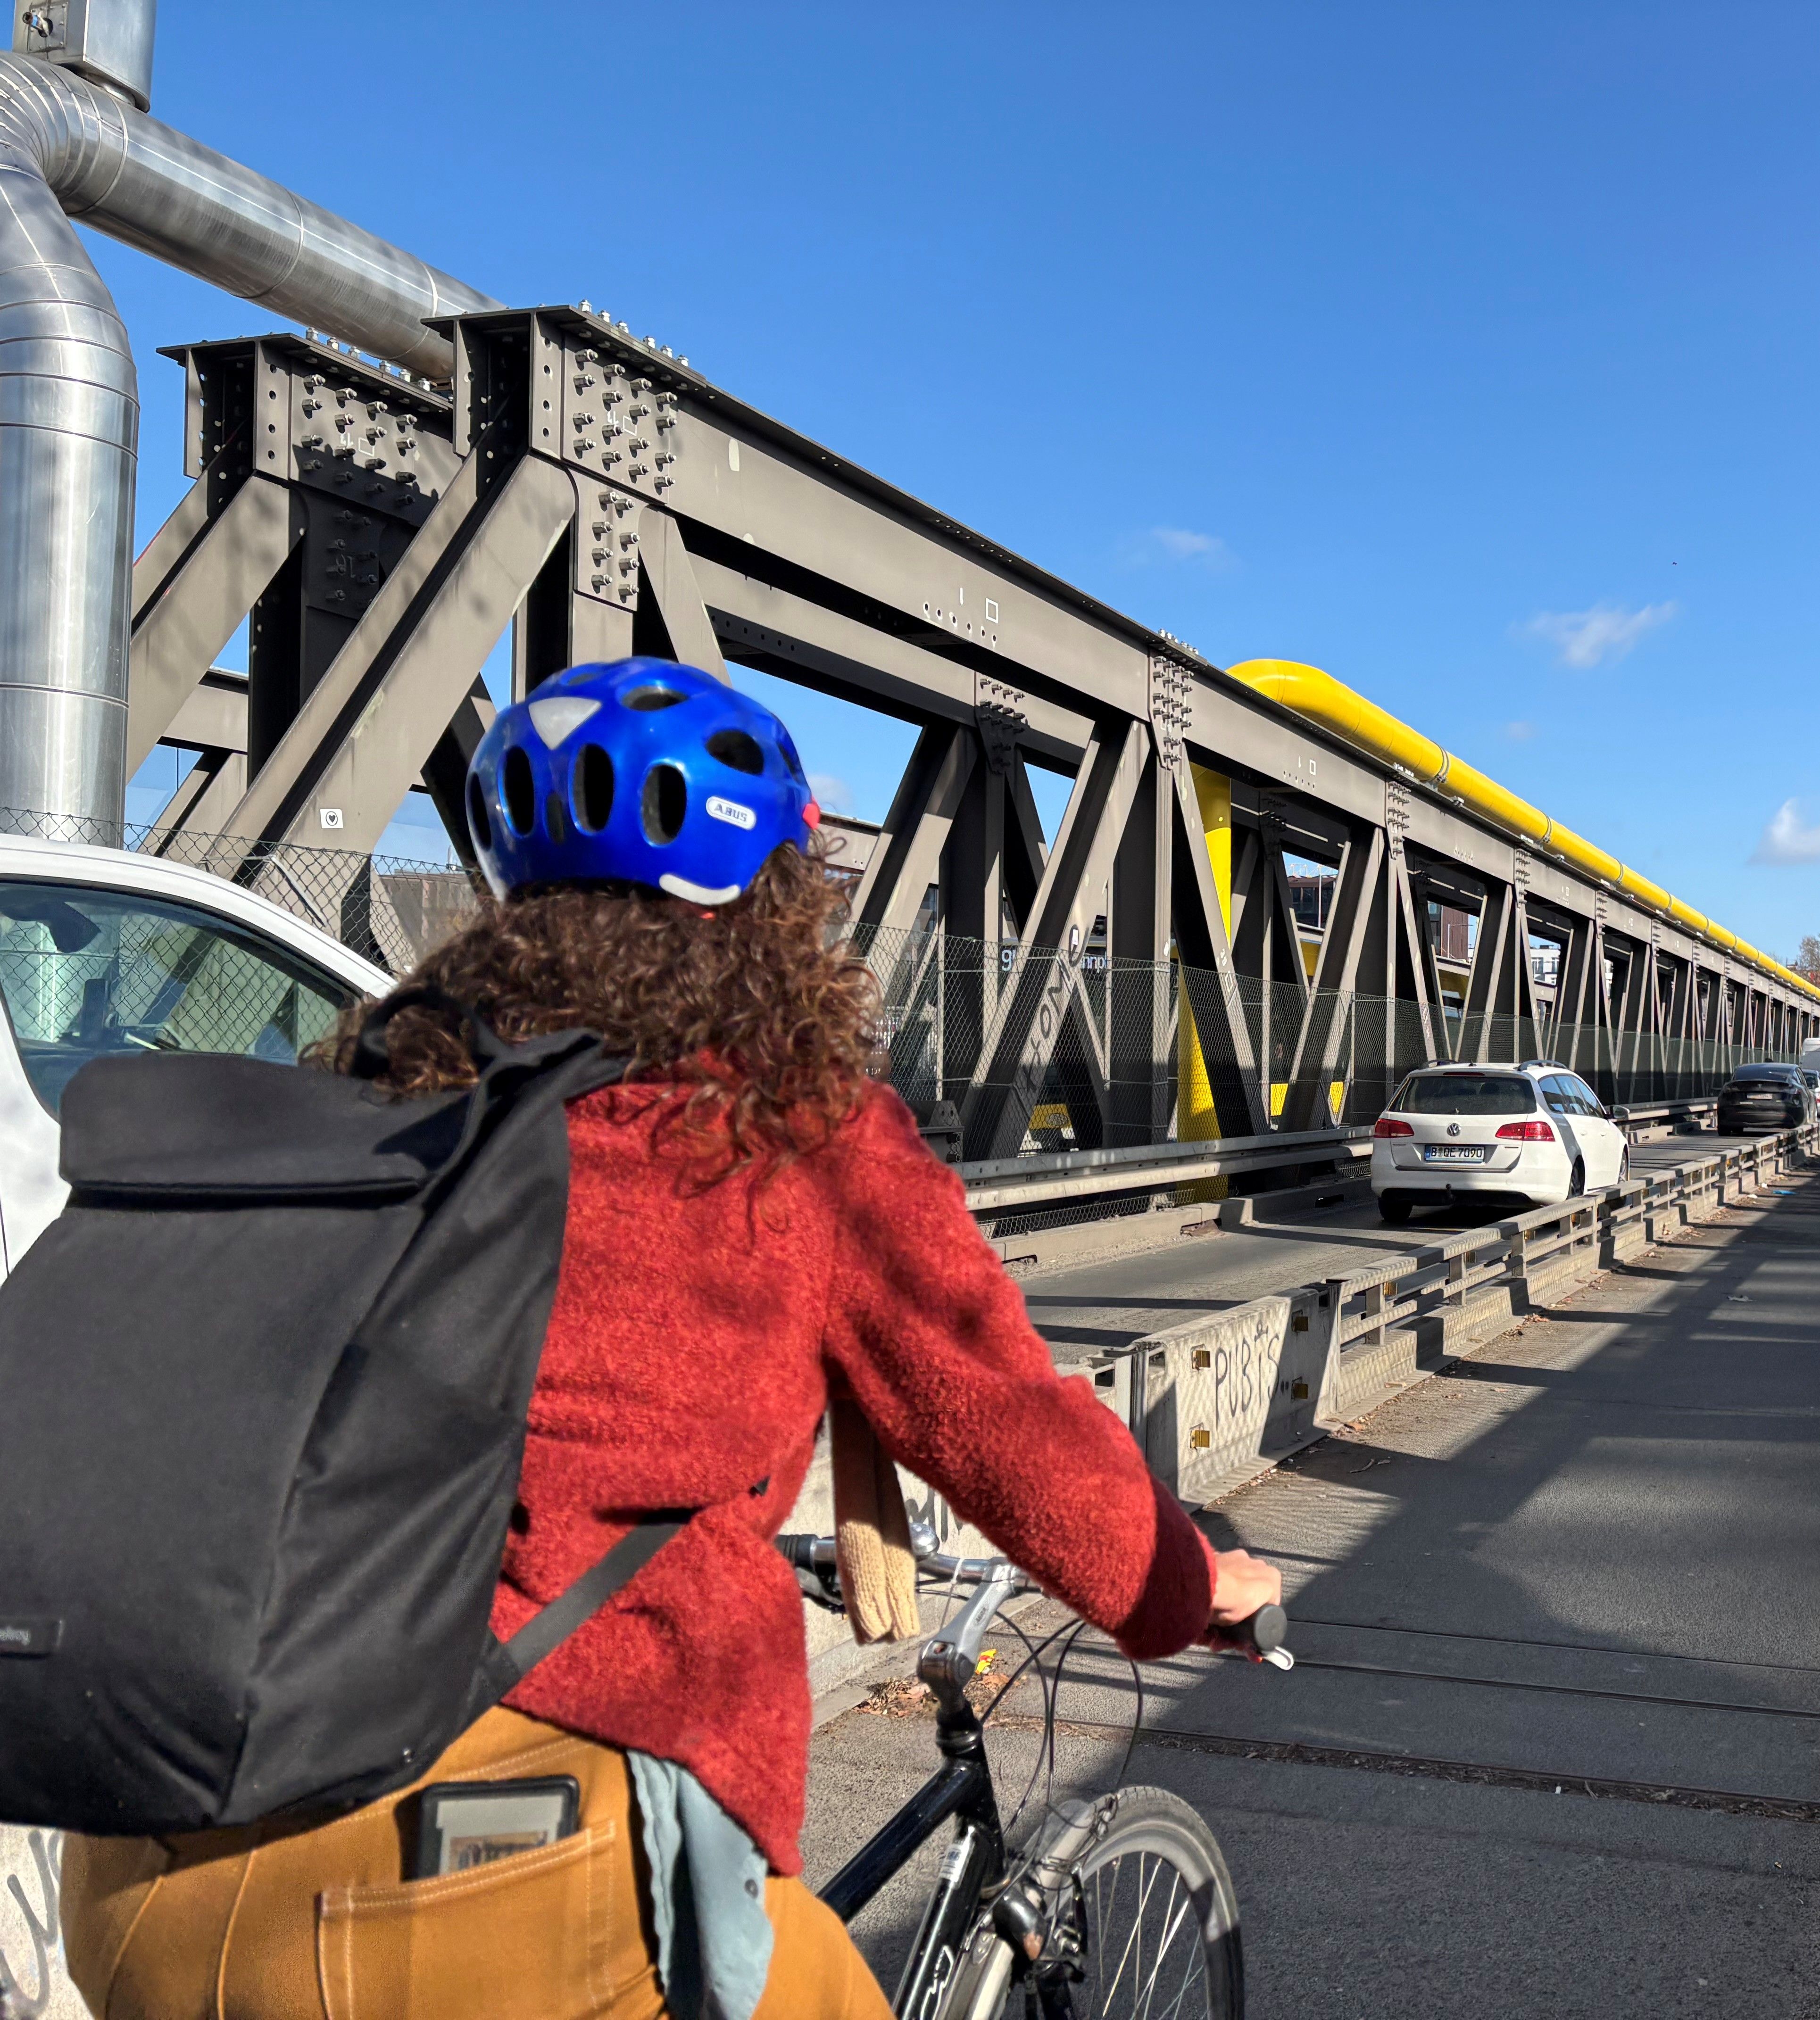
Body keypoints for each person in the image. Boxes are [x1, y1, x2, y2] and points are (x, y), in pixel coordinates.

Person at [60, 657, 1280, 2019]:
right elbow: (1002, 1420)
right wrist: (1184, 1583)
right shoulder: (782, 1125)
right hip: (487, 1870)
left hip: (141, 1858)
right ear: (779, 905)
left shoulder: (373, 1081)